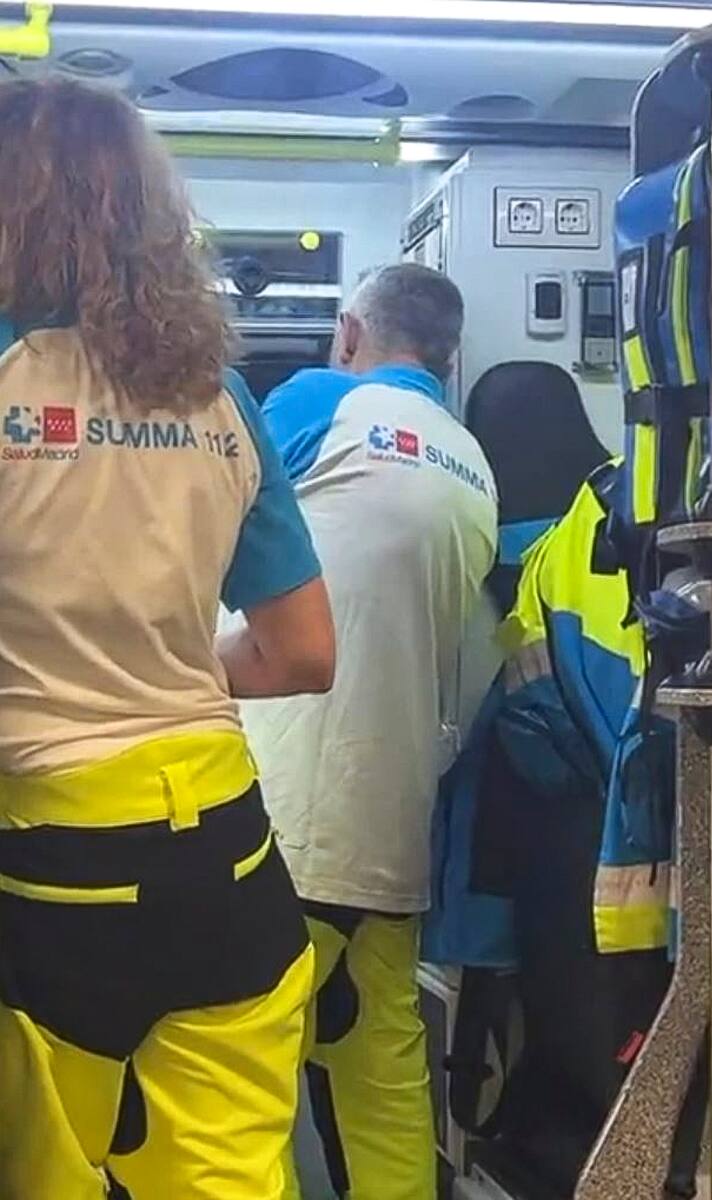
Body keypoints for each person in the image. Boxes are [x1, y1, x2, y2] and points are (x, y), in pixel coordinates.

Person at [0, 77, 337, 1200]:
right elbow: (301, 654)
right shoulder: (220, 399)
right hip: (227, 861)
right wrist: (182, 670)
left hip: (45, 870)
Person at [231, 263, 498, 1200]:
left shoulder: (319, 401)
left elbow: (207, 518)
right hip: (393, 825)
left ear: (349, 333)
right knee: (380, 1066)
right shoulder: (473, 463)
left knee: (241, 1072)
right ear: (449, 354)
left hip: (284, 809)